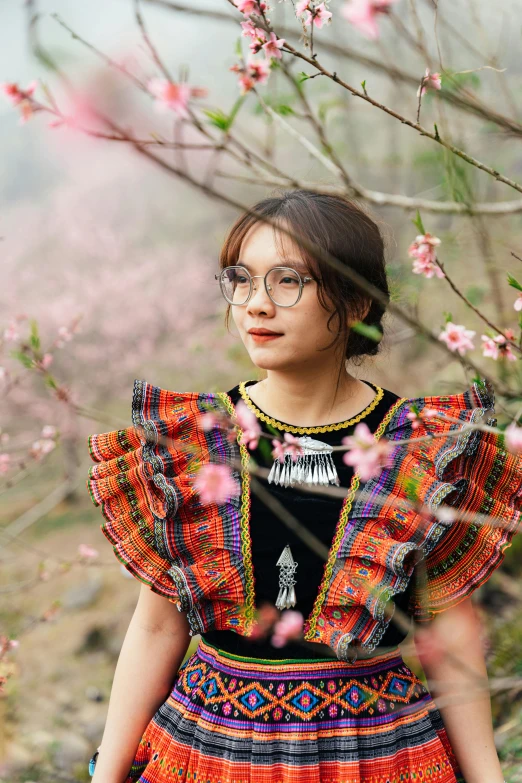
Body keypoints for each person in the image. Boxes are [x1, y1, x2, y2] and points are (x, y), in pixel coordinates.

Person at [85, 190, 520, 783]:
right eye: (241, 280)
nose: (255, 305)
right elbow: (159, 625)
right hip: (210, 752)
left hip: (378, 752)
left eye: (287, 280)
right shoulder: (194, 443)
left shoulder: (421, 448)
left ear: (355, 299)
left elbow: (450, 627)